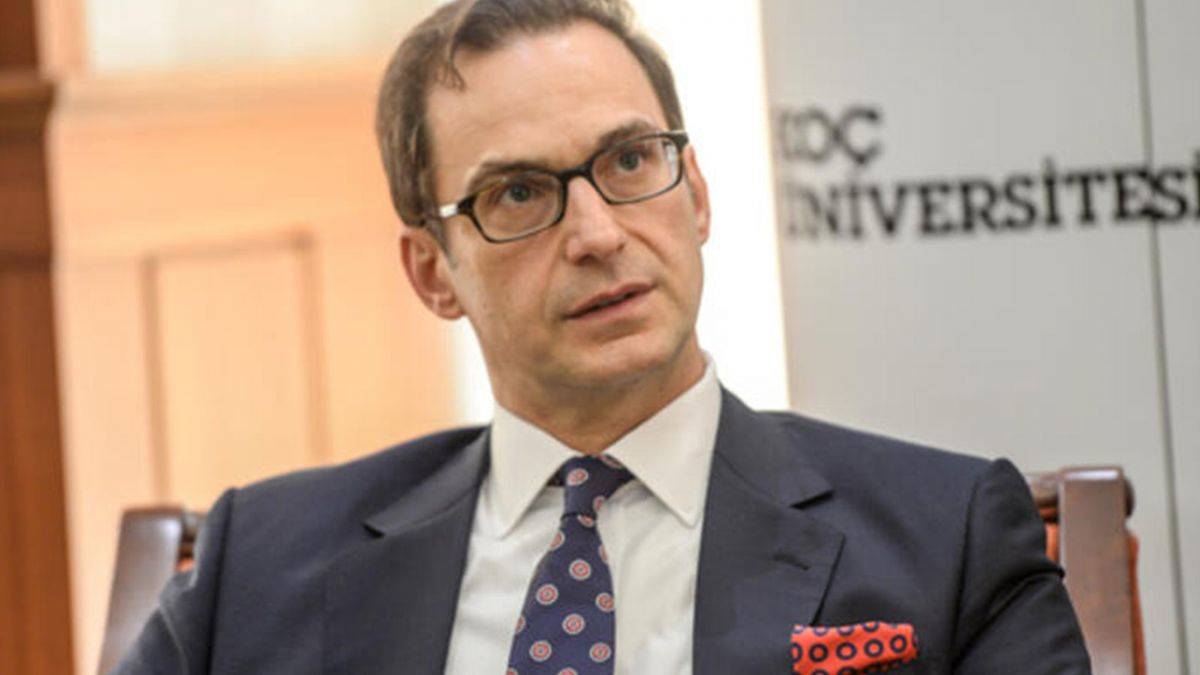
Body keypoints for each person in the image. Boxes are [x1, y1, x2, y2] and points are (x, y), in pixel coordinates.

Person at [114, 1, 1091, 673]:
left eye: (629, 160)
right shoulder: (257, 565)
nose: (596, 234)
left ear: (695, 195)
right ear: (432, 273)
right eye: (518, 193)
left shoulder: (946, 538)